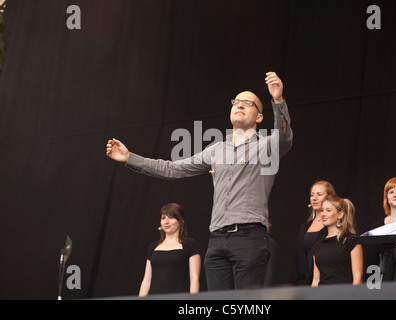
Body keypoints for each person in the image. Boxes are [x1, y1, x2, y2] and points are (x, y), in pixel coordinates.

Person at [107, 72, 293, 290]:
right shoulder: (216, 150)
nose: (240, 105)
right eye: (236, 102)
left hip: (249, 238)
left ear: (259, 117)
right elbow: (173, 169)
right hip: (217, 240)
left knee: (246, 307)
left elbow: (284, 136)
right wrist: (130, 157)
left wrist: (278, 100)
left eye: (248, 103)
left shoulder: (266, 146)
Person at [138, 203, 201, 296]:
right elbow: (146, 280)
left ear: (181, 221)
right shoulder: (153, 246)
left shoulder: (189, 244)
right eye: (163, 218)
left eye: (171, 217)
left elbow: (194, 278)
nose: (166, 222)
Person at [311, 194, 363, 286]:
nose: (323, 214)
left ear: (340, 214)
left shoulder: (351, 241)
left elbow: (357, 278)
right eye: (322, 210)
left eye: (328, 210)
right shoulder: (318, 245)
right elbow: (315, 280)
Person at [291, 180, 336, 285]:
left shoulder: (333, 226)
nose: (314, 198)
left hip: (324, 282)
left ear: (329, 197)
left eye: (319, 194)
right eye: (312, 195)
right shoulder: (305, 226)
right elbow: (297, 259)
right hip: (304, 283)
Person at [363, 177, 396, 279]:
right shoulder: (377, 227)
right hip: (383, 280)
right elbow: (371, 261)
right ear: (386, 197)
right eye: (391, 192)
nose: (395, 195)